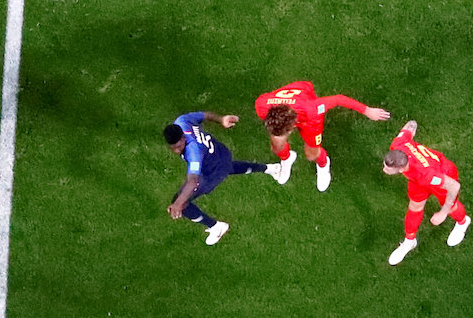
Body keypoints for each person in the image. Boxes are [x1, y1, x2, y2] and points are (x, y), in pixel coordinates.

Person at [163, 111, 284, 245]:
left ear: (183, 138)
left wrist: (178, 204)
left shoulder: (194, 151)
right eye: (173, 148)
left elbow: (193, 181)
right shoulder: (183, 121)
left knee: (182, 202)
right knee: (229, 167)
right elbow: (205, 115)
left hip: (213, 171)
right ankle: (272, 169)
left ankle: (216, 227)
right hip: (220, 153)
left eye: (178, 146)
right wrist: (221, 119)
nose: (176, 151)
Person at [254, 80, 390, 190]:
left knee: (311, 153)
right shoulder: (261, 106)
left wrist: (367, 110)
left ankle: (323, 165)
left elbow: (338, 99)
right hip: (294, 105)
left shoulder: (313, 109)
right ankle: (287, 158)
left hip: (308, 118)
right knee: (277, 147)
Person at [382, 120, 472, 266]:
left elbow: (454, 186)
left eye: (388, 169)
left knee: (451, 207)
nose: (384, 170)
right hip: (418, 180)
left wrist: (443, 212)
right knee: (415, 207)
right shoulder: (398, 145)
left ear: (400, 169)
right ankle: (409, 241)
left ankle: (463, 222)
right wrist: (411, 126)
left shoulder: (427, 175)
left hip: (443, 175)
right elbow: (411, 124)